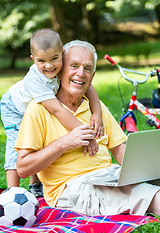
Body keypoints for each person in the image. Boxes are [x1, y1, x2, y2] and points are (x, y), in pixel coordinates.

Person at [15, 40, 160, 216]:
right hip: (71, 188)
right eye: (74, 66)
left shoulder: (95, 107)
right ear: (60, 71)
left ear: (93, 75)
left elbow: (119, 148)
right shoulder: (38, 109)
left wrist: (146, 169)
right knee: (148, 195)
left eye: (88, 68)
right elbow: (23, 168)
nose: (81, 73)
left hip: (108, 176)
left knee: (149, 183)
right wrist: (64, 144)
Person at [0, 29, 104, 197]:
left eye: (54, 59)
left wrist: (97, 114)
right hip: (14, 108)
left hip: (34, 106)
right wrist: (86, 134)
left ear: (61, 52)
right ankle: (12, 193)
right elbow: (57, 109)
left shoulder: (61, 67)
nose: (49, 66)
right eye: (41, 61)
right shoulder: (36, 80)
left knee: (39, 139)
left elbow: (89, 87)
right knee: (19, 146)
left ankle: (35, 186)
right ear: (33, 60)